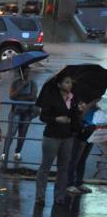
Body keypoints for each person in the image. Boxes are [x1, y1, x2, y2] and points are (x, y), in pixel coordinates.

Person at [34, 74, 79, 206]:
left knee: (63, 168)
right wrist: (56, 119)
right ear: (59, 85)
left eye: (70, 82)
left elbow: (75, 117)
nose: (69, 85)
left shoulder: (73, 98)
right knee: (45, 167)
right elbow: (43, 117)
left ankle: (59, 196)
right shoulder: (51, 98)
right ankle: (40, 196)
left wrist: (78, 111)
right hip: (52, 136)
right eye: (66, 82)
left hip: (67, 136)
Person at [2, 65, 39, 163]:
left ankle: (17, 152)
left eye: (29, 71)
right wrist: (21, 87)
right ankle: (4, 153)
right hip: (15, 111)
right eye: (26, 71)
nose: (27, 74)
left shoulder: (32, 83)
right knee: (12, 132)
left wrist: (20, 97)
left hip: (27, 112)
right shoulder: (15, 83)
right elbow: (12, 96)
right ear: (21, 73)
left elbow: (33, 97)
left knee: (22, 134)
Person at [67, 101, 99, 195]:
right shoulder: (86, 98)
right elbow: (78, 114)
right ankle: (69, 183)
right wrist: (91, 104)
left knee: (83, 158)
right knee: (75, 158)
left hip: (93, 129)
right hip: (82, 129)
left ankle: (79, 182)